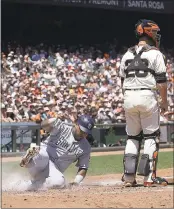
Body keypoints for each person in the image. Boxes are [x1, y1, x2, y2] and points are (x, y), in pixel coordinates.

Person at [119, 19, 168, 187]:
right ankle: (149, 177)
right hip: (147, 96)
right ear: (148, 33)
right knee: (151, 137)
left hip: (128, 96)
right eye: (154, 32)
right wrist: (164, 103)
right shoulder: (155, 54)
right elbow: (161, 82)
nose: (156, 35)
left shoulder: (126, 54)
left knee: (132, 137)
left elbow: (121, 81)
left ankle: (129, 177)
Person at [20, 114, 95, 190]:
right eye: (82, 130)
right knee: (41, 155)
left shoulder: (86, 147)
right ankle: (28, 159)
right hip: (43, 157)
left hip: (54, 169)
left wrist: (76, 181)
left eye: (86, 132)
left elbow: (83, 167)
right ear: (76, 124)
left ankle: (24, 185)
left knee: (59, 182)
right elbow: (43, 125)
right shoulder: (62, 128)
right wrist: (50, 121)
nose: (84, 134)